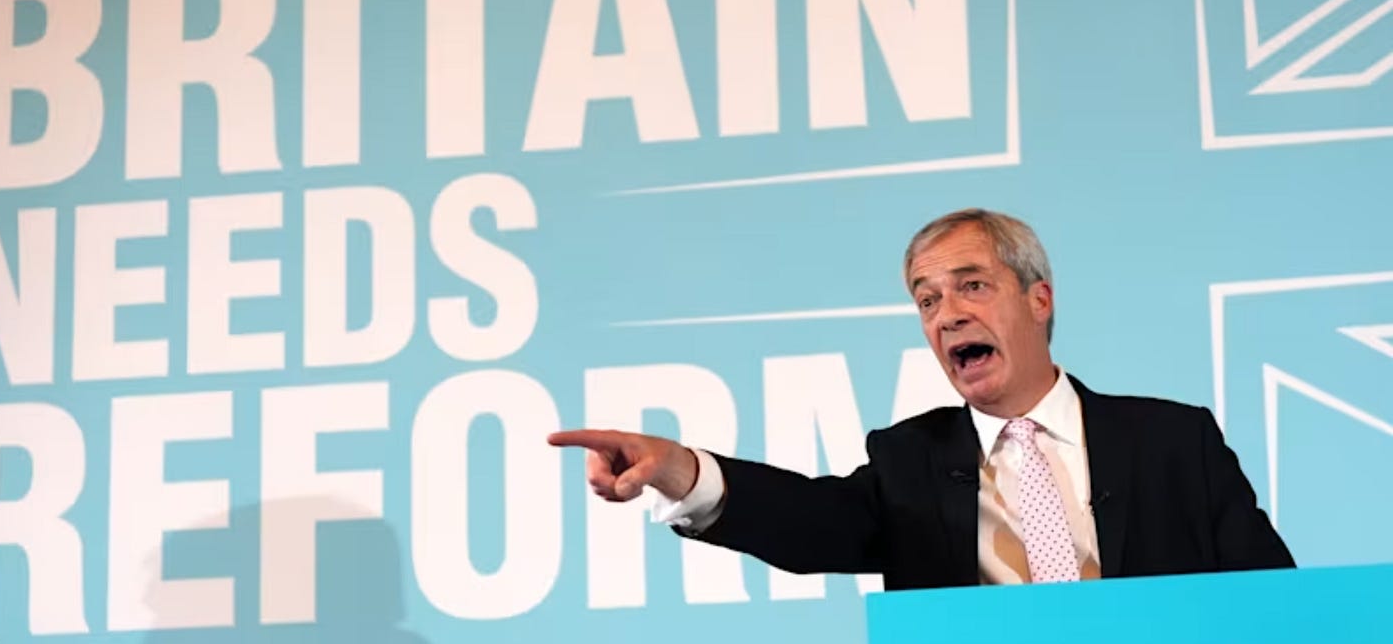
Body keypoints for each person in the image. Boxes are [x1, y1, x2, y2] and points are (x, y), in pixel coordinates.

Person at [549, 208, 1294, 588]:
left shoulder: (1174, 443)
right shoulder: (911, 459)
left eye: (972, 286)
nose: (947, 315)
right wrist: (682, 469)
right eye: (927, 299)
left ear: (1039, 299)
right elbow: (810, 523)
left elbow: (1275, 605)